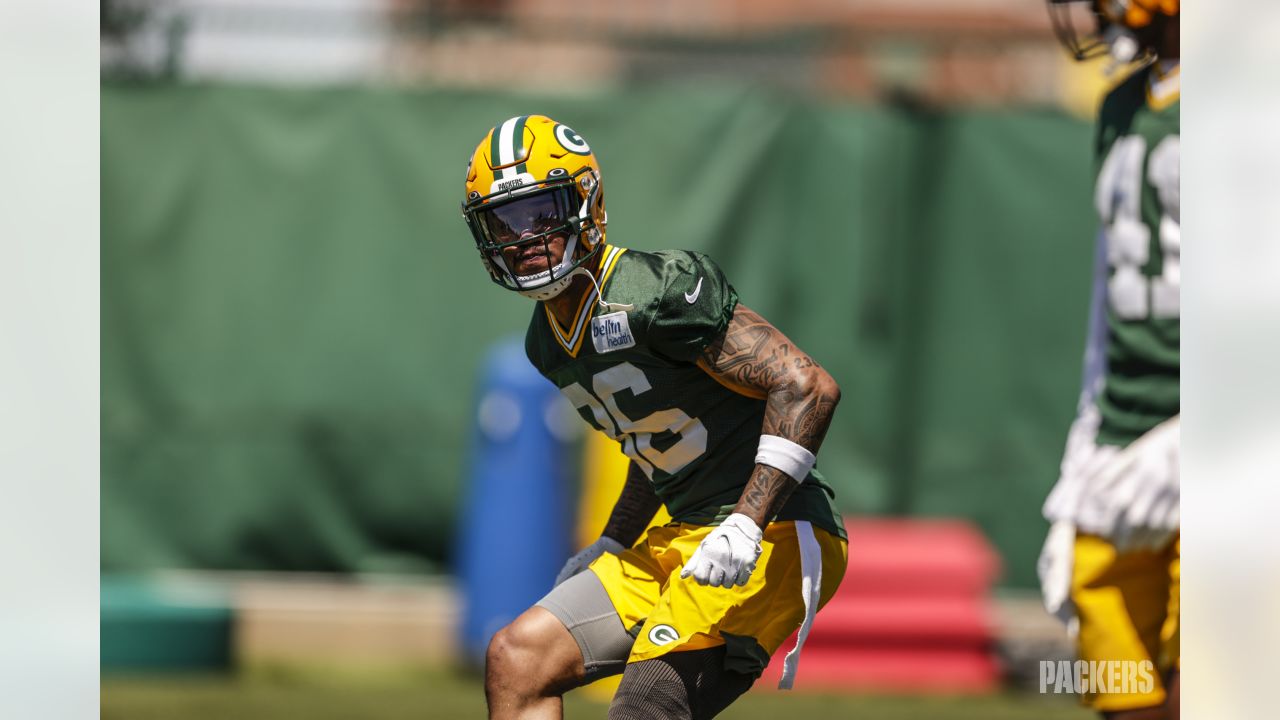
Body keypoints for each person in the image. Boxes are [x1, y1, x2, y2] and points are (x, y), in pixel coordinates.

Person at [461, 114, 849, 720]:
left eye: (541, 212)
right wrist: (616, 538)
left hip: (775, 532)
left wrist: (745, 524)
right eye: (504, 221)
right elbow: (658, 441)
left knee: (645, 708)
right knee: (517, 660)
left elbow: (807, 387)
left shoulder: (654, 288)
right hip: (684, 534)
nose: (524, 237)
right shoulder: (547, 342)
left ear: (585, 203)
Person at [1040, 2, 1180, 718]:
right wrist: (1084, 443)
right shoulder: (1124, 103)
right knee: (1119, 683)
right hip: (1124, 430)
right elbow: (1108, 294)